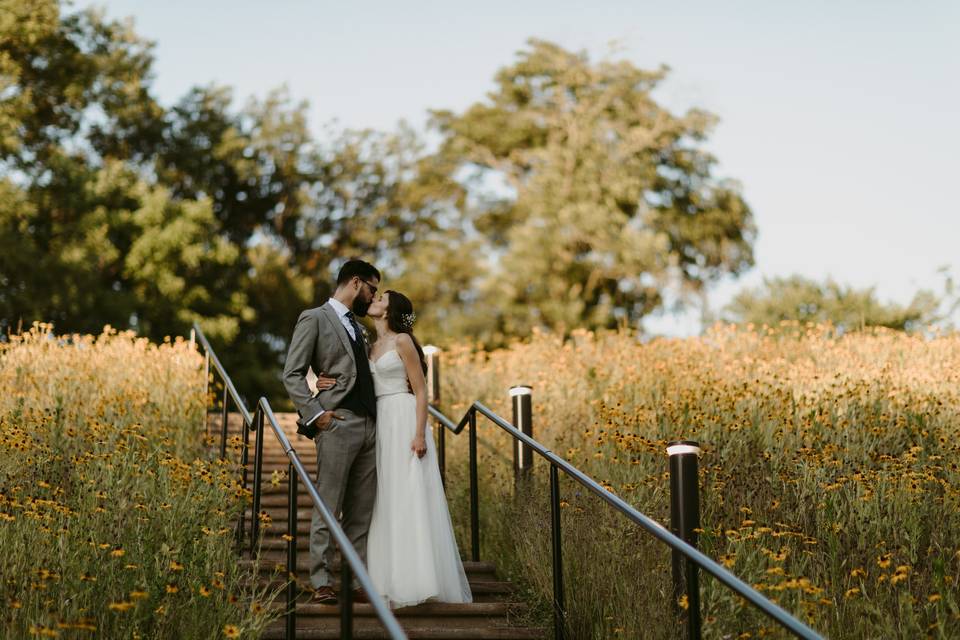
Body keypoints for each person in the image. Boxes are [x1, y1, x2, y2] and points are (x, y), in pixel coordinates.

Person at [314, 290, 472, 608]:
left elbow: (422, 390)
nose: (374, 299)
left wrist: (419, 434)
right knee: (380, 498)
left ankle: (416, 577)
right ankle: (381, 576)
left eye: (381, 298)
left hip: (402, 417)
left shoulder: (403, 341)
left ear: (389, 310)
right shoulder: (368, 345)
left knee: (406, 494)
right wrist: (322, 382)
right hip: (377, 423)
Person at [281, 259, 381, 605]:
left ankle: (355, 581)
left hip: (372, 425)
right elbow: (291, 373)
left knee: (361, 511)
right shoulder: (315, 318)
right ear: (355, 282)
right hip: (337, 423)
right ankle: (322, 579)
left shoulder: (360, 327)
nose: (373, 296)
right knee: (329, 504)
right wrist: (316, 413)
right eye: (372, 289)